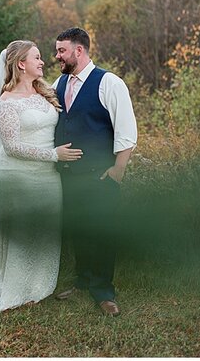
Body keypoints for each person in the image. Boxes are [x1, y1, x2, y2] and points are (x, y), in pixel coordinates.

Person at [0, 40, 83, 311]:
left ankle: (38, 287)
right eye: (36, 58)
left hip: (48, 178)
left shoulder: (44, 92)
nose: (43, 62)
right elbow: (11, 147)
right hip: (18, 177)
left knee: (44, 231)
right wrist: (53, 156)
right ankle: (14, 289)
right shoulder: (6, 101)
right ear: (21, 64)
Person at [50, 27, 138, 317]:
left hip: (100, 176)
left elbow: (126, 130)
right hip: (68, 176)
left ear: (79, 50)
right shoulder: (58, 83)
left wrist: (118, 170)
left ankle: (103, 291)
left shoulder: (109, 83)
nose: (57, 56)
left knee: (102, 233)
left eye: (61, 50)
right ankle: (82, 280)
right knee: (79, 230)